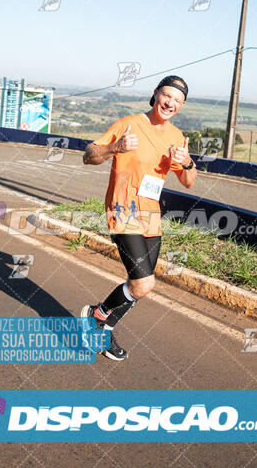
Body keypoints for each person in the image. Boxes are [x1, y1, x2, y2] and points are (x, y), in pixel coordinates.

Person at [81, 75, 197, 361]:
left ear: (181, 106)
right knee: (144, 283)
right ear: (156, 94)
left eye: (177, 100)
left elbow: (189, 181)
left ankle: (101, 324)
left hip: (151, 215)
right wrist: (114, 148)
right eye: (167, 96)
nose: (170, 103)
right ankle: (100, 316)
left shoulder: (177, 138)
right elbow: (89, 155)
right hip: (122, 210)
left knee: (138, 285)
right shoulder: (128, 124)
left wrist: (187, 162)